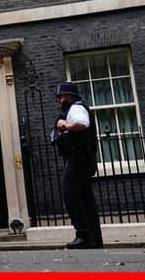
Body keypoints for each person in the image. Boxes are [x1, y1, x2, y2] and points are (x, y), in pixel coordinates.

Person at [53, 82, 103, 249]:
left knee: (71, 194)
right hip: (83, 159)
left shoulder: (77, 108)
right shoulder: (73, 108)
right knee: (85, 198)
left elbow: (82, 124)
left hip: (79, 159)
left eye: (61, 97)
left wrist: (64, 125)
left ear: (69, 96)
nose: (59, 100)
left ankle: (84, 235)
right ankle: (94, 238)